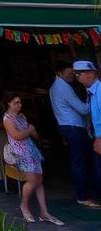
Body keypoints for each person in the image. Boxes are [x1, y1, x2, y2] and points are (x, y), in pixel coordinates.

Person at [3, 92, 63, 225]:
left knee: (39, 180)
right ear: (9, 103)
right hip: (21, 152)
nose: (19, 105)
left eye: (20, 102)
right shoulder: (7, 119)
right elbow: (16, 136)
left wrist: (33, 132)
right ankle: (24, 205)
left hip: (31, 150)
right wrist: (30, 130)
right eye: (16, 103)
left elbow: (33, 134)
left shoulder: (22, 116)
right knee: (31, 180)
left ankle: (44, 211)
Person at [49, 60, 100, 207]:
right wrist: (91, 98)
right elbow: (84, 110)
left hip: (69, 127)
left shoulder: (56, 86)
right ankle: (82, 196)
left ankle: (89, 193)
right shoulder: (62, 87)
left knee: (85, 162)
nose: (74, 76)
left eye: (77, 73)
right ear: (59, 72)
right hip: (74, 128)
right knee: (81, 163)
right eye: (72, 73)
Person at [73, 60, 101, 193]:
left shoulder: (99, 91)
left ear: (91, 73)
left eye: (79, 73)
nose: (77, 76)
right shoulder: (90, 92)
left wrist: (99, 137)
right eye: (75, 73)